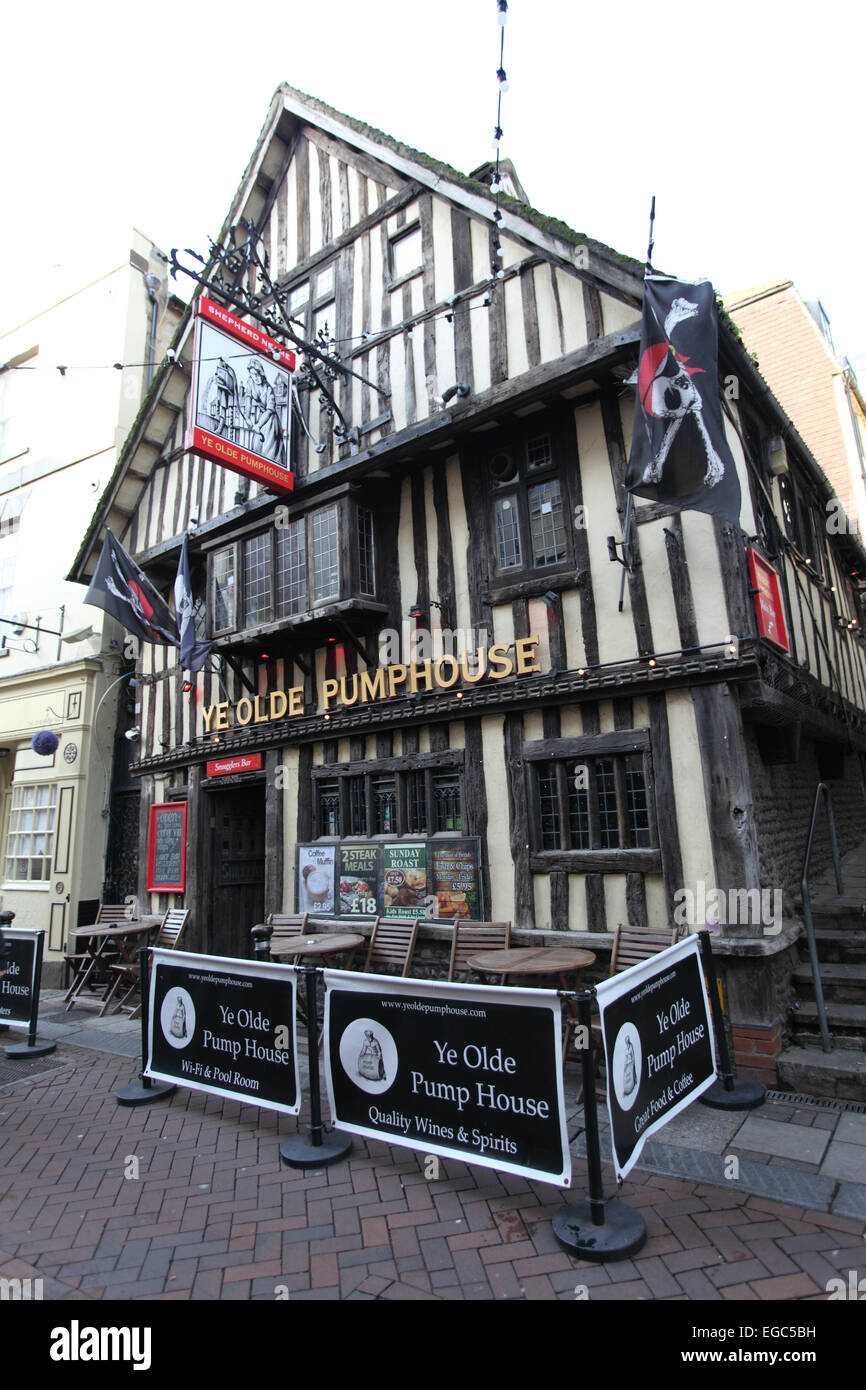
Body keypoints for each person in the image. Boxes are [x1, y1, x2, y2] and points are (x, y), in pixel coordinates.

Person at [243, 360, 285, 464]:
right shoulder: (250, 382)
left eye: (257, 374)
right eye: (252, 374)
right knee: (256, 447)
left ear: (261, 373)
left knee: (269, 452)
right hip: (260, 419)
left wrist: (258, 425)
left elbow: (269, 410)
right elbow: (248, 398)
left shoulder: (268, 389)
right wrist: (247, 417)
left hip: (269, 421)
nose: (255, 377)